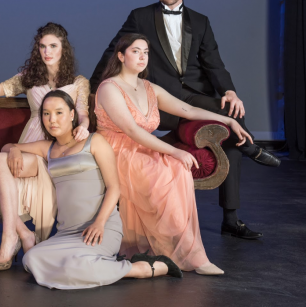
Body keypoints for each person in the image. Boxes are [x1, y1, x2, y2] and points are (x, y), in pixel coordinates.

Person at [90, 0, 280, 239]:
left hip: (193, 96)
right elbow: (113, 51)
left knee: (230, 114)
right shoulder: (140, 16)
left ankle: (231, 218)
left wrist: (229, 90)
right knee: (228, 126)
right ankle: (253, 148)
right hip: (160, 99)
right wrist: (95, 89)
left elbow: (214, 62)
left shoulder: (200, 21)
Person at [96, 33, 255, 275]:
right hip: (116, 149)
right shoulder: (109, 87)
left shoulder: (149, 88)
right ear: (121, 55)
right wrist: (174, 151)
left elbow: (188, 110)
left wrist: (228, 120)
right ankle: (184, 252)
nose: (142, 57)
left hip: (144, 146)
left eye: (145, 52)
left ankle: (180, 247)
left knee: (179, 169)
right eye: (135, 51)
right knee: (163, 170)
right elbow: (130, 130)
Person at [0, 90, 183, 289]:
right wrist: (14, 149)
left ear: (72, 115)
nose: (52, 120)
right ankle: (109, 266)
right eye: (46, 114)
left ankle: (141, 269)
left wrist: (99, 223)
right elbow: (8, 146)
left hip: (100, 228)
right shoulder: (47, 148)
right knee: (31, 259)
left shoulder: (94, 142)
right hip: (66, 232)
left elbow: (114, 188)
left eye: (59, 112)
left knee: (73, 268)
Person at [0, 22, 90, 249]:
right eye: (42, 46)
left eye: (53, 46)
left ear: (63, 49)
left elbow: (83, 114)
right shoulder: (28, 77)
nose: (47, 52)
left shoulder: (78, 82)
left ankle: (23, 239)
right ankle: (22, 233)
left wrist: (84, 126)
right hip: (30, 143)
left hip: (58, 144)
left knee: (9, 170)